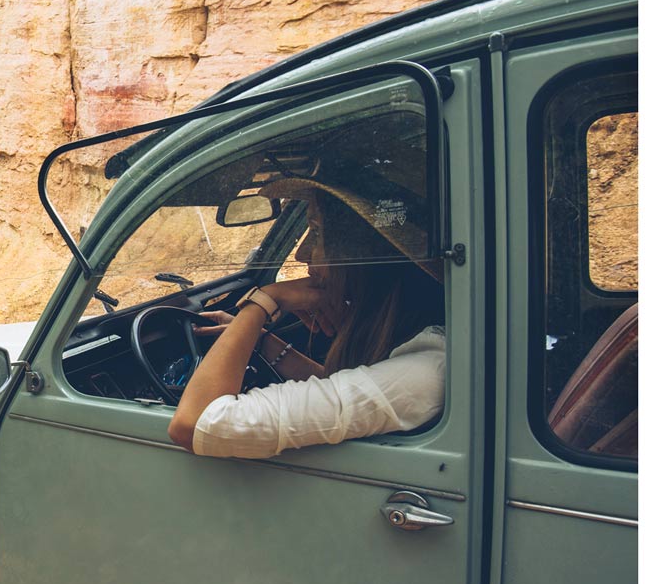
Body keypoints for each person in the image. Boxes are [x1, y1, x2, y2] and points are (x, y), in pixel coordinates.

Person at [166, 175, 446, 458]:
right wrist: (261, 341)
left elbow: (194, 423)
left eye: (316, 231)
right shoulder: (420, 353)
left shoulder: (422, 374)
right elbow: (349, 393)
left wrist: (263, 301)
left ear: (364, 249)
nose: (302, 253)